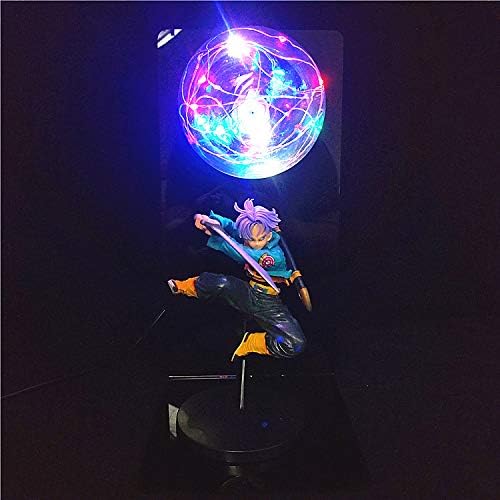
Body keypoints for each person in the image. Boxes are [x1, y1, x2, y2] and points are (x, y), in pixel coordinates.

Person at [168, 198, 306, 360]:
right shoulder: (253, 234)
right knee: (222, 284)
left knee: (295, 343)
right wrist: (215, 221)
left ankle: (252, 342)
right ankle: (184, 286)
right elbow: (235, 228)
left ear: (269, 236)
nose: (255, 243)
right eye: (250, 239)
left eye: (260, 239)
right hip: (249, 292)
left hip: (267, 301)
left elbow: (241, 251)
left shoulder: (272, 257)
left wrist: (218, 234)